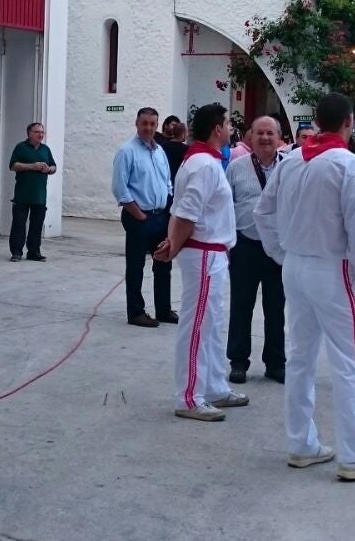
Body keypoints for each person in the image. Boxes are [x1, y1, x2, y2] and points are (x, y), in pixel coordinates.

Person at [256, 93, 355, 481]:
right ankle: (353, 456)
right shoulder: (348, 164)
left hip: (295, 266)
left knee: (300, 356)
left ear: (316, 120)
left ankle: (302, 444)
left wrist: (282, 252)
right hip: (332, 269)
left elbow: (262, 211)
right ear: (350, 121)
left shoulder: (293, 159)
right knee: (350, 363)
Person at [153, 104, 240, 421]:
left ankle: (214, 385)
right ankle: (188, 397)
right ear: (217, 129)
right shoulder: (204, 164)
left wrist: (174, 242)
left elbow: (181, 210)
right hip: (203, 253)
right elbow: (186, 213)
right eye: (228, 123)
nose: (231, 129)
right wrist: (174, 246)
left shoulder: (204, 161)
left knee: (212, 323)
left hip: (211, 253)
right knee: (198, 325)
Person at [225, 116, 286, 385]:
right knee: (241, 306)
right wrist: (226, 243)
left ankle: (275, 364)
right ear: (250, 136)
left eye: (270, 133)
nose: (264, 138)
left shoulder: (292, 167)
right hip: (245, 246)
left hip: (279, 250)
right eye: (259, 133)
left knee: (276, 308)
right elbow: (225, 207)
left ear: (279, 137)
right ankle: (238, 362)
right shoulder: (236, 167)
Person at [112, 108, 175, 327]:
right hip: (139, 217)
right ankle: (136, 312)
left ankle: (164, 310)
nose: (148, 128)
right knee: (136, 265)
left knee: (163, 264)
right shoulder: (126, 151)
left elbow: (167, 181)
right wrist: (139, 215)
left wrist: (167, 205)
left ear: (157, 125)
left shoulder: (160, 152)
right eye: (144, 123)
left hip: (160, 216)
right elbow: (120, 188)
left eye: (152, 124)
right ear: (136, 124)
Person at [8, 122, 56, 263]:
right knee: (19, 224)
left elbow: (54, 167)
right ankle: (16, 252)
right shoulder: (20, 147)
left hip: (40, 195)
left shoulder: (45, 149)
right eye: (37, 132)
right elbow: (13, 165)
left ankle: (34, 252)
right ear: (29, 133)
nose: (40, 135)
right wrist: (32, 166)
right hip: (22, 194)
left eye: (42, 132)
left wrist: (48, 169)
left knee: (36, 225)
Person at [159, 115, 188, 181]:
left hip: (164, 179)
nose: (187, 135)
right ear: (183, 134)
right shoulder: (187, 149)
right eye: (187, 132)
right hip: (178, 180)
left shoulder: (162, 146)